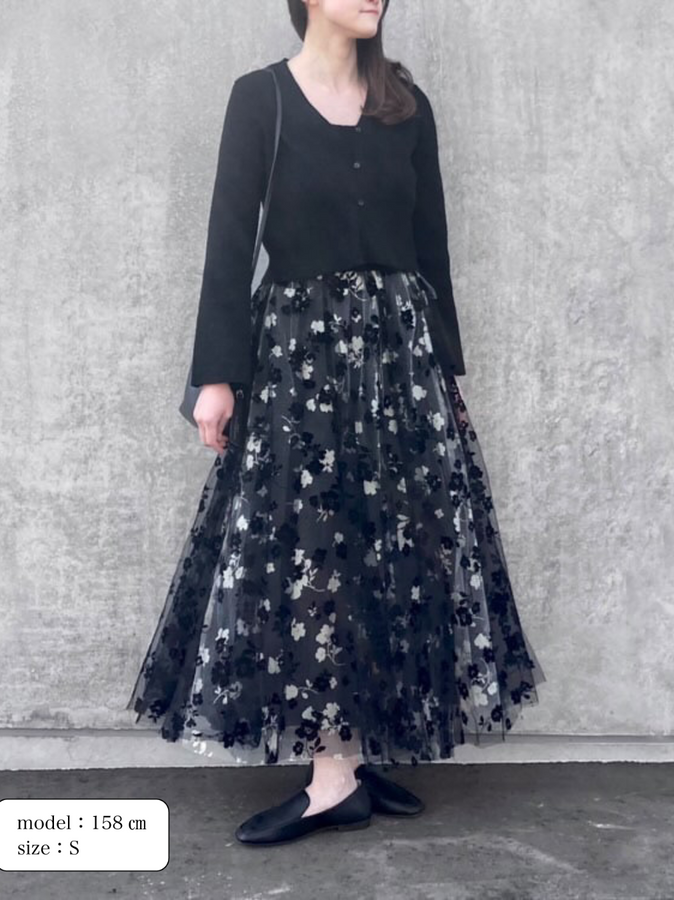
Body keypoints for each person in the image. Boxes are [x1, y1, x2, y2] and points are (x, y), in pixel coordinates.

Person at [127, 0, 546, 846]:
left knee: (393, 551)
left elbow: (431, 248)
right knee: (316, 553)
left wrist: (447, 372)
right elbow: (227, 241)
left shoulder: (406, 105)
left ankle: (350, 760)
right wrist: (217, 376)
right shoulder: (261, 99)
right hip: (300, 362)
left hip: (400, 363)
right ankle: (331, 777)